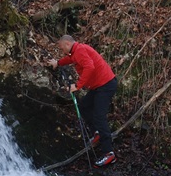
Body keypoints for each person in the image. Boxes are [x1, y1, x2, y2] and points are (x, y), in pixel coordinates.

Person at [48, 35, 118, 168]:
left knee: (99, 117)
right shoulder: (76, 51)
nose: (61, 49)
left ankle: (109, 153)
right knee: (84, 106)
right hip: (99, 86)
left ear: (67, 43)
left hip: (106, 85)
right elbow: (70, 59)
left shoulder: (79, 50)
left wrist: (78, 85)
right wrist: (58, 63)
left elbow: (89, 67)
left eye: (61, 47)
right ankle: (97, 133)